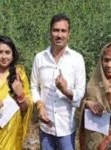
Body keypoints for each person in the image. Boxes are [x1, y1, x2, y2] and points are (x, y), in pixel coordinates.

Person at [31, 13, 86, 150]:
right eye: (56, 30)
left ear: (69, 34)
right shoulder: (40, 58)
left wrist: (65, 91)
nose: (59, 35)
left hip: (66, 126)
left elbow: (81, 92)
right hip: (46, 126)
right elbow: (33, 87)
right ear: (50, 32)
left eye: (63, 31)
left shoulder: (77, 59)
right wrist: (39, 106)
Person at [77, 41, 111, 150]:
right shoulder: (94, 82)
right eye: (106, 60)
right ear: (101, 61)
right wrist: (87, 104)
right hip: (92, 141)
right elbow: (80, 103)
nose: (109, 65)